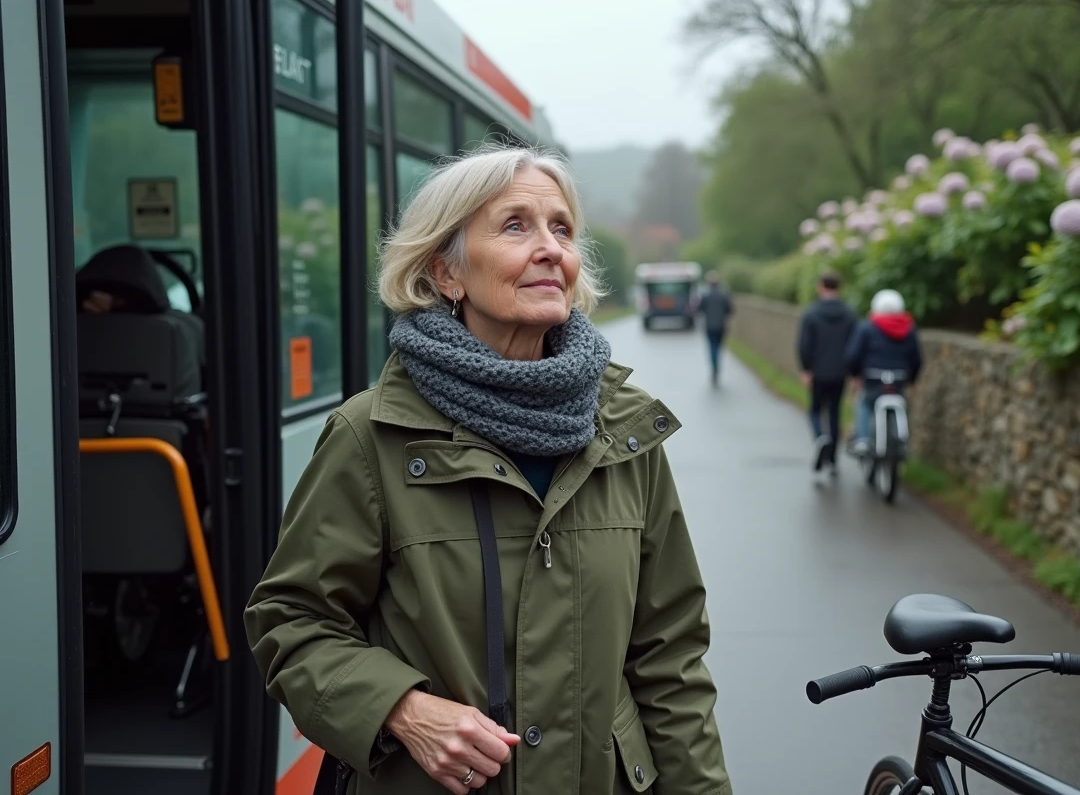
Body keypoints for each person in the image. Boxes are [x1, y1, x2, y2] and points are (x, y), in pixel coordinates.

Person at [244, 145, 731, 795]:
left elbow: (670, 659)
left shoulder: (627, 431)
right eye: (515, 226)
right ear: (446, 272)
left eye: (562, 229)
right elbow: (291, 620)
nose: (550, 248)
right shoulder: (371, 436)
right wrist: (400, 708)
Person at [844, 288, 923, 456]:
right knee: (902, 402)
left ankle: (863, 439)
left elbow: (853, 355)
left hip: (873, 379)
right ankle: (903, 440)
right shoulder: (908, 329)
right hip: (899, 378)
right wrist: (912, 379)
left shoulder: (867, 327)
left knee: (864, 403)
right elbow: (916, 358)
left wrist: (855, 375)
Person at [796, 271, 856, 473]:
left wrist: (806, 369)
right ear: (839, 288)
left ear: (821, 287)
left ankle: (820, 437)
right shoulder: (849, 314)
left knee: (815, 410)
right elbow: (854, 346)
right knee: (834, 413)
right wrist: (853, 371)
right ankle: (833, 460)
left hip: (818, 372)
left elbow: (804, 344)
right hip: (840, 372)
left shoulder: (811, 313)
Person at [698, 270, 734, 384]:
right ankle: (716, 366)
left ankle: (714, 366)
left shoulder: (705, 295)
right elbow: (730, 310)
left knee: (712, 347)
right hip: (721, 326)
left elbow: (699, 309)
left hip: (709, 326)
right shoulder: (724, 294)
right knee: (718, 347)